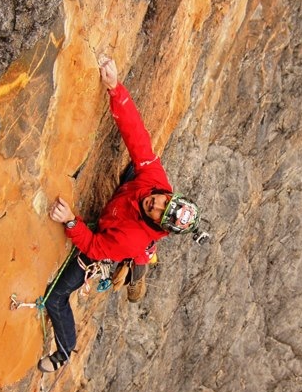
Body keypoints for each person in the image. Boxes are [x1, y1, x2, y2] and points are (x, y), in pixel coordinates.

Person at [38, 55, 201, 373]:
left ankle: (65, 350)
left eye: (157, 211)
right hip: (124, 212)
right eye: (161, 201)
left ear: (159, 225)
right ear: (170, 194)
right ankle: (139, 265)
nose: (154, 204)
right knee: (137, 165)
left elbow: (96, 247)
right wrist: (115, 88)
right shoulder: (156, 182)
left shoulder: (132, 237)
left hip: (117, 239)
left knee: (56, 297)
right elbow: (138, 138)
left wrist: (71, 221)